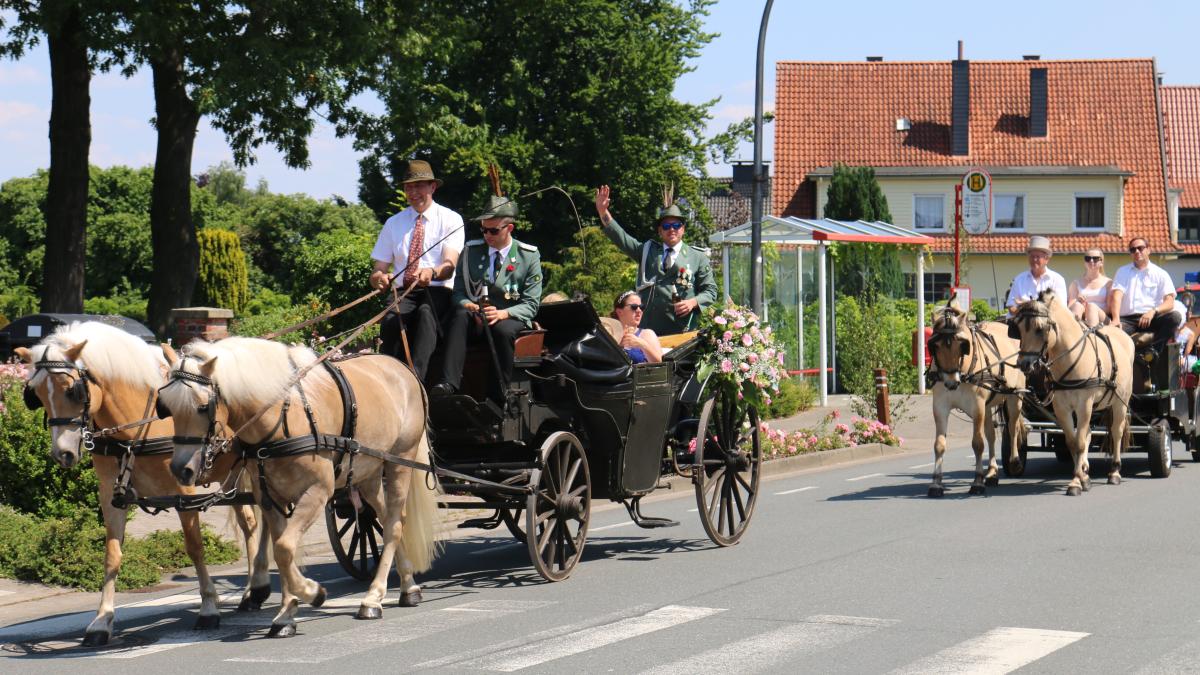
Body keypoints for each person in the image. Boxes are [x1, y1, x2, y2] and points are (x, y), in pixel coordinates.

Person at [437, 173, 542, 399]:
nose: (487, 236)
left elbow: (531, 305)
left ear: (509, 229)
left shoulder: (528, 256)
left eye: (494, 231)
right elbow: (458, 293)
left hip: (508, 319)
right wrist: (470, 306)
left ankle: (497, 396)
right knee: (458, 314)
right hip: (476, 318)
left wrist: (503, 313)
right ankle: (448, 384)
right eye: (484, 230)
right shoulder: (471, 251)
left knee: (503, 332)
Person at [594, 184, 717, 335]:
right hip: (648, 331)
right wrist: (602, 211)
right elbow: (621, 238)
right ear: (660, 231)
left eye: (676, 225)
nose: (671, 229)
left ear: (683, 229)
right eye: (666, 226)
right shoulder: (647, 250)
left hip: (682, 331)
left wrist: (693, 302)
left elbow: (710, 291)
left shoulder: (697, 256)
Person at [1108, 237, 1177, 346]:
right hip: (1127, 320)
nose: (1137, 251)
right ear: (1130, 253)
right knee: (1110, 337)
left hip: (1152, 318)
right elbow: (1117, 297)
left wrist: (1153, 311)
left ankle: (1155, 351)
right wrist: (1116, 319)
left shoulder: (1161, 274)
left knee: (1175, 317)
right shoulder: (1122, 271)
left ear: (1148, 250)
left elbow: (1170, 302)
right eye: (1133, 249)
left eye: (1140, 248)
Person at [1006, 236, 1068, 314]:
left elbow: (1061, 308)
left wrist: (1028, 305)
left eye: (1038, 257)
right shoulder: (1019, 279)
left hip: (1048, 324)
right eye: (1032, 256)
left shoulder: (1057, 279)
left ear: (1047, 259)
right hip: (1020, 323)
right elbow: (1011, 306)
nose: (1034, 260)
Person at [611, 291, 662, 364]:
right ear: (619, 312)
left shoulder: (646, 334)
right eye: (634, 307)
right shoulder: (609, 334)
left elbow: (663, 365)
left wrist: (642, 344)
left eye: (641, 307)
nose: (639, 310)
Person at [1066, 248, 1112, 327]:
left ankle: (1092, 337)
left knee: (1092, 307)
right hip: (1081, 314)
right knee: (1077, 305)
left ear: (1101, 262)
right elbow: (1070, 307)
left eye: (1095, 258)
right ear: (1084, 262)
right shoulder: (1075, 283)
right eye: (1088, 258)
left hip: (1102, 317)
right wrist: (1077, 299)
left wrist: (1088, 310)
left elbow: (1109, 308)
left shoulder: (1108, 283)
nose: (1091, 261)